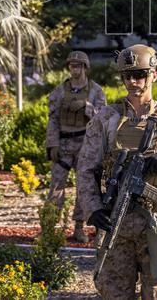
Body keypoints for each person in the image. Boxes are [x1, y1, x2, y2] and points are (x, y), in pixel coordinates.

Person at [77, 45, 157, 300]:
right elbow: (86, 168)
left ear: (154, 74)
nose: (134, 81)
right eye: (127, 76)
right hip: (116, 221)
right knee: (113, 292)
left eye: (141, 75)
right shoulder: (106, 119)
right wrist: (93, 209)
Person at [46, 50, 107, 242]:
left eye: (79, 65)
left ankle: (79, 227)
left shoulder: (96, 90)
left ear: (85, 67)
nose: (75, 69)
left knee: (84, 187)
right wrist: (52, 144)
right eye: (72, 65)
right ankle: (49, 226)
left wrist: (86, 106)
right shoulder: (59, 91)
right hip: (63, 144)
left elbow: (103, 117)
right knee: (56, 187)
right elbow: (52, 119)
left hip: (84, 144)